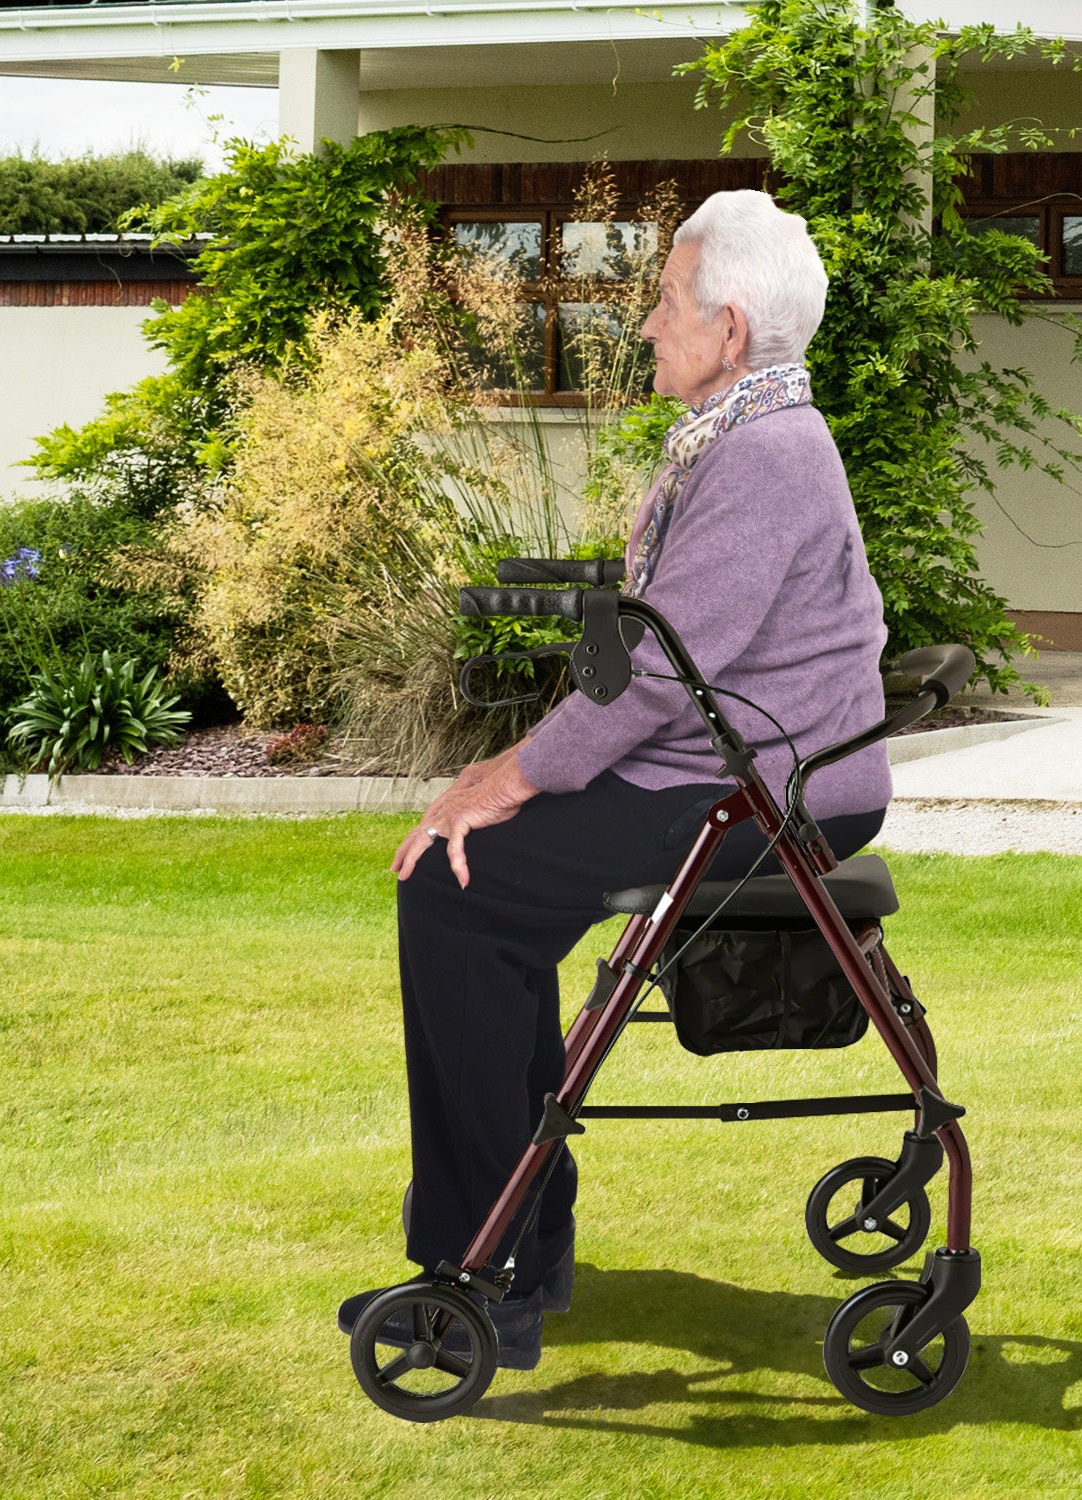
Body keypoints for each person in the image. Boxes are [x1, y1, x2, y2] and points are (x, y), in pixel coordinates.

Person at [338, 189, 893, 1368]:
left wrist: (509, 781)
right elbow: (649, 647)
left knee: (455, 893)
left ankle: (484, 1265)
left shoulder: (765, 456)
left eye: (660, 300)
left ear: (728, 328)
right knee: (475, 902)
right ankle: (513, 1244)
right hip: (730, 773)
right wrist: (526, 746)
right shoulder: (746, 435)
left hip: (757, 796)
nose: (644, 324)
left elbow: (652, 677)